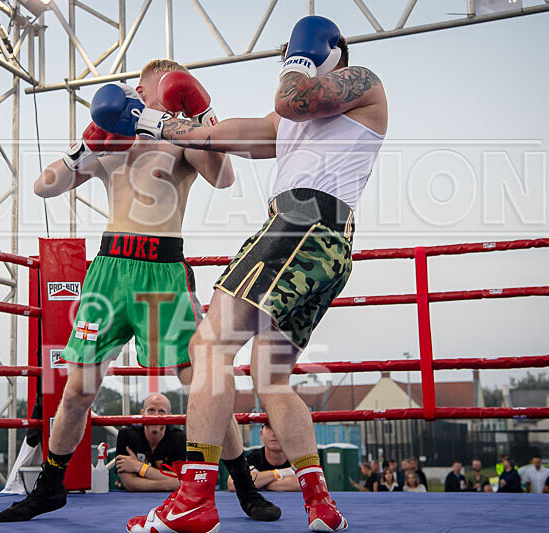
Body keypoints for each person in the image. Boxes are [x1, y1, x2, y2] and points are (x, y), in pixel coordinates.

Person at [115, 15, 386, 532]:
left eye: (299, 55)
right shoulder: (295, 117)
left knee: (208, 347)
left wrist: (300, 60)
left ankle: (194, 498)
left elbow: (290, 100)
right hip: (324, 243)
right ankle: (319, 504)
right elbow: (245, 134)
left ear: (329, 54)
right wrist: (163, 125)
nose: (291, 63)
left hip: (301, 224)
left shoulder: (363, 84)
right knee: (271, 378)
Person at [0, 56, 279, 525]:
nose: (152, 98)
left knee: (202, 383)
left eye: (166, 91)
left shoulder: (183, 141)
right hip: (109, 271)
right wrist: (84, 146)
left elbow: (223, 178)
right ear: (139, 94)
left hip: (163, 273)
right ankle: (49, 486)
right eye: (149, 91)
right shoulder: (114, 142)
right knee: (78, 389)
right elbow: (45, 187)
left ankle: (243, 486)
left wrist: (201, 118)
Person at [115, 394, 187, 492]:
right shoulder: (127, 435)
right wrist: (168, 484)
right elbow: (130, 484)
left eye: (161, 411)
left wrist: (139, 467)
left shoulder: (179, 438)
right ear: (142, 413)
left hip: (169, 500)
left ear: (169, 416)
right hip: (132, 501)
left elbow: (182, 481)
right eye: (151, 410)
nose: (155, 416)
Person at [227, 423, 300, 492]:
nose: (274, 433)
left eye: (280, 428)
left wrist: (260, 483)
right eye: (269, 427)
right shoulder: (253, 458)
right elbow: (233, 483)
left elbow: (304, 483)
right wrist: (279, 473)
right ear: (261, 434)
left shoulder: (298, 458)